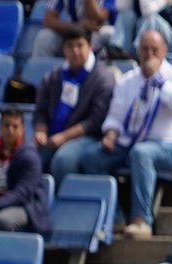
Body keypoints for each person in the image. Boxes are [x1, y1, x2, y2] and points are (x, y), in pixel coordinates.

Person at [56, 30, 172, 241]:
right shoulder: (128, 80)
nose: (149, 54)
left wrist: (158, 80)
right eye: (145, 49)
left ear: (164, 51)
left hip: (170, 148)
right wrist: (111, 133)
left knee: (141, 153)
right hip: (129, 142)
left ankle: (142, 220)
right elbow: (116, 115)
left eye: (154, 50)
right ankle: (116, 217)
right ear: (138, 51)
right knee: (92, 157)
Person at [37, 24, 116, 181]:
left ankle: (64, 203)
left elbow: (95, 121)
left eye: (80, 46)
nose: (75, 52)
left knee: (63, 160)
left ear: (90, 47)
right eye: (70, 46)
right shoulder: (54, 76)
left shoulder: (103, 78)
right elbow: (41, 110)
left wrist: (63, 137)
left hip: (89, 137)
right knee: (28, 157)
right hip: (53, 134)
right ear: (63, 48)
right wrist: (40, 131)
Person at [0, 108, 49, 235]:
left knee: (2, 221)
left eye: (15, 126)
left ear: (22, 129)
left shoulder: (30, 156)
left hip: (26, 206)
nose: (10, 130)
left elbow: (22, 193)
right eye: (6, 125)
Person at [31, 0, 113, 58]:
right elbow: (48, 20)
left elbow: (97, 21)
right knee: (45, 36)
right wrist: (77, 26)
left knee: (108, 34)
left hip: (98, 32)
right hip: (74, 30)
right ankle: (44, 78)